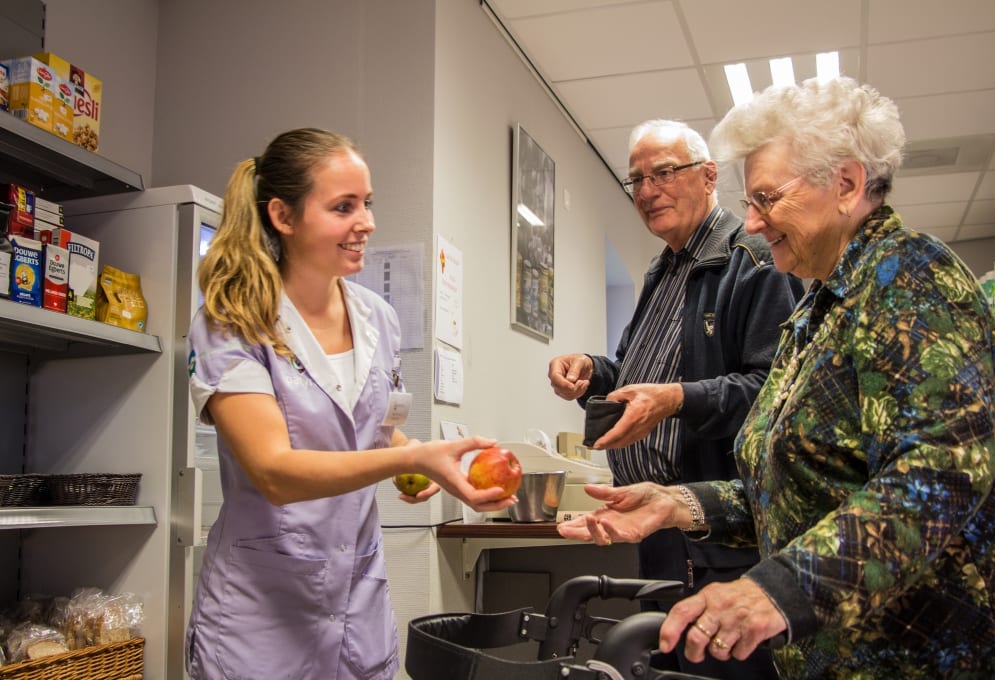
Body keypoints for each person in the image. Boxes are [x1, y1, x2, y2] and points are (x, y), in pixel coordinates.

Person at [558, 77, 995, 679]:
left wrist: (779, 589)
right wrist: (677, 503)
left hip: (907, 653)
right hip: (822, 651)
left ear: (845, 184)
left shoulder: (908, 276)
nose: (755, 223)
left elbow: (941, 477)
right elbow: (799, 485)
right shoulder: (817, 311)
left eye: (768, 199)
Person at [184, 128, 515, 680]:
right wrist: (408, 460)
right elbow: (274, 471)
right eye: (344, 207)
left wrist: (427, 463)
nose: (367, 222)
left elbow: (378, 428)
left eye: (367, 203)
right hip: (262, 610)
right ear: (283, 217)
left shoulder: (377, 316)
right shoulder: (232, 321)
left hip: (356, 602)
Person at [548, 119, 803, 678]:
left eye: (663, 173)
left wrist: (676, 400)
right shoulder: (662, 271)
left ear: (709, 176)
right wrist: (594, 372)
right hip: (658, 528)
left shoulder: (756, 261)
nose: (646, 191)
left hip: (721, 534)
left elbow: (775, 394)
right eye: (635, 179)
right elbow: (641, 374)